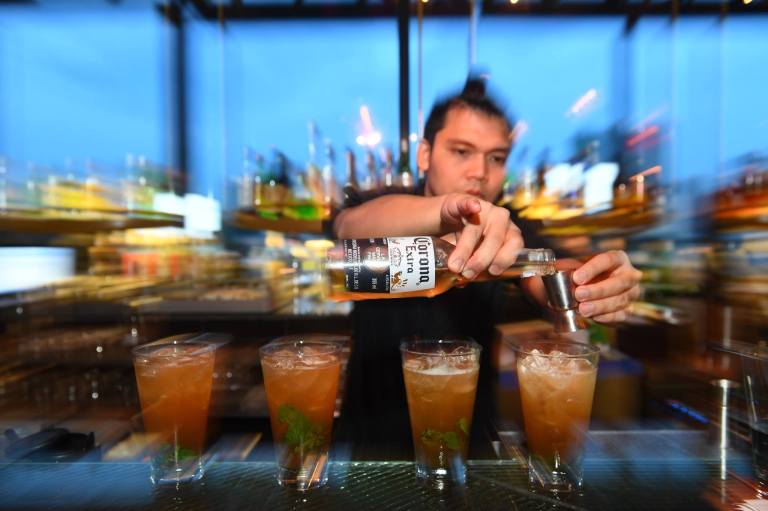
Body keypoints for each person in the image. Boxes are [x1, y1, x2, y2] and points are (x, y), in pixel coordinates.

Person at [332, 77, 642, 459]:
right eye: (462, 151)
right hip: (372, 444)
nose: (480, 171)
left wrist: (589, 285)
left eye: (496, 158)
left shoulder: (507, 226)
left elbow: (545, 271)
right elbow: (349, 227)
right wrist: (443, 211)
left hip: (471, 444)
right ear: (425, 154)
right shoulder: (384, 204)